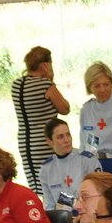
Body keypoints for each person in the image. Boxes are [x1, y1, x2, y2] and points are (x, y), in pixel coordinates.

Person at [13, 46, 70, 188]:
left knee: (36, 183)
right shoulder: (45, 85)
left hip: (25, 141)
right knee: (52, 182)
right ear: (45, 65)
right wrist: (51, 81)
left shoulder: (16, 84)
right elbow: (65, 108)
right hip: (45, 141)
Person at [37, 118, 102, 210]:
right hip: (60, 217)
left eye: (68, 135)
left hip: (85, 213)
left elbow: (98, 195)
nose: (66, 140)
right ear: (49, 142)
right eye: (60, 137)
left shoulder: (87, 160)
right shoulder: (46, 169)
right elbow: (49, 204)